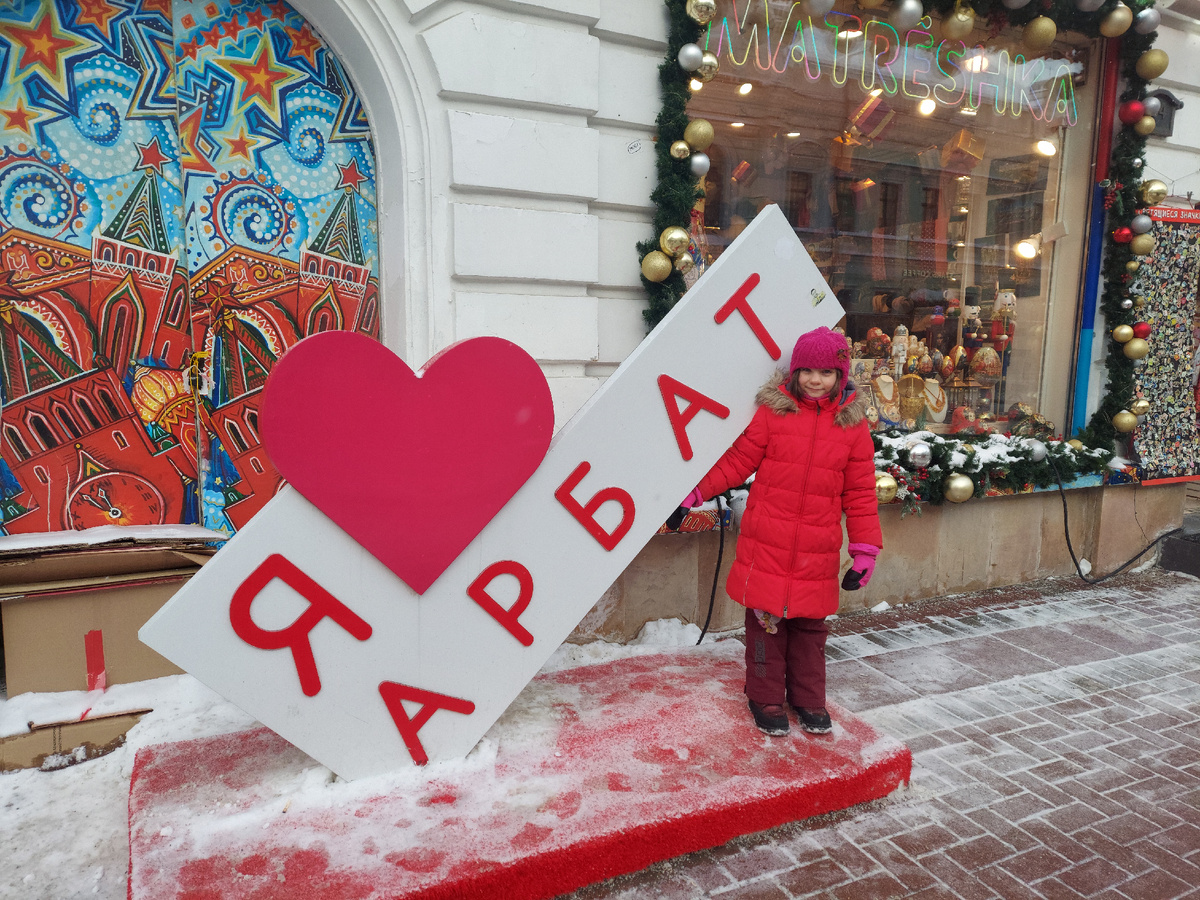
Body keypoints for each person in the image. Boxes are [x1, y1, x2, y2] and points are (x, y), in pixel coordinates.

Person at [687, 326, 882, 736]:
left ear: (840, 376)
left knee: (811, 628)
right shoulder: (773, 413)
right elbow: (738, 463)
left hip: (816, 548)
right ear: (794, 372)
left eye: (827, 372)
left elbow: (861, 492)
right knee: (765, 625)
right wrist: (696, 492)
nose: (816, 379)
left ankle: (809, 697)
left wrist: (865, 550)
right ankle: (765, 695)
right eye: (808, 370)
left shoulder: (853, 427)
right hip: (767, 543)